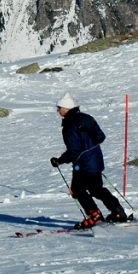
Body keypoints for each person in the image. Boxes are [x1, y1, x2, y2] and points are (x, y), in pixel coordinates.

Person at [50, 93, 129, 229]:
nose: (58, 110)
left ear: (67, 108)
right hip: (96, 160)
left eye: (59, 107)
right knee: (96, 189)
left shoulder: (70, 124)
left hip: (83, 164)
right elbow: (101, 137)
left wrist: (59, 160)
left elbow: (74, 150)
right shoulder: (87, 118)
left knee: (77, 190)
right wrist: (89, 149)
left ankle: (94, 216)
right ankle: (117, 211)